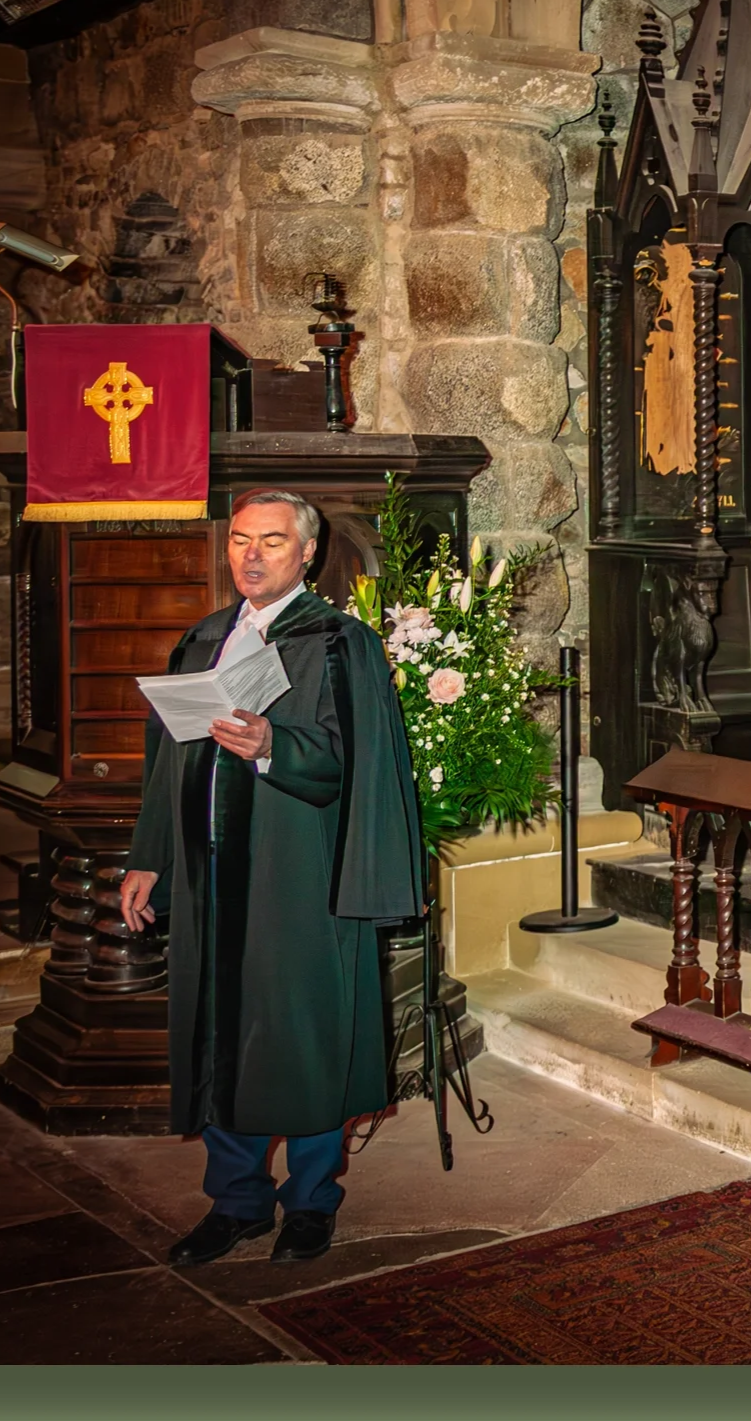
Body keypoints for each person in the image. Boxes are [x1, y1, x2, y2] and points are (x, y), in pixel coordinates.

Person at [118, 489, 425, 1266]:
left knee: (303, 1036)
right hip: (207, 876)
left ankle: (311, 1201)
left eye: (273, 542)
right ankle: (239, 1200)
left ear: (308, 553)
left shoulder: (336, 644)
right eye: (240, 541)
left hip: (298, 876)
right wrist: (148, 859)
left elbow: (354, 768)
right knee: (221, 1030)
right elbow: (167, 765)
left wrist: (268, 745)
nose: (251, 556)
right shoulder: (203, 641)